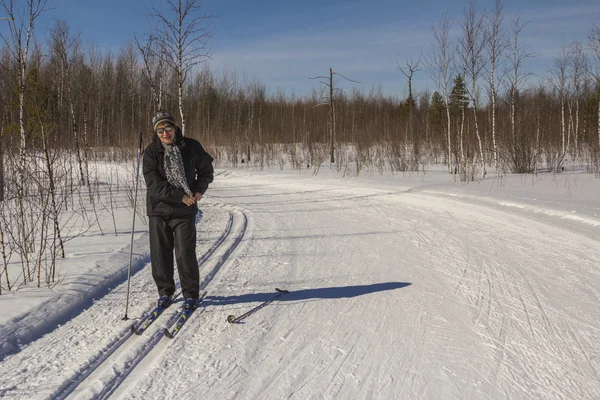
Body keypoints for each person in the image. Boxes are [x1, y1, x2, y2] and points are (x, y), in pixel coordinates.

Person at [143, 110, 214, 310]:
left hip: (185, 210)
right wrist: (179, 196)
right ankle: (165, 292)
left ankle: (190, 294)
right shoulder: (151, 152)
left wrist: (199, 189)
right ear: (155, 132)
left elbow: (206, 170)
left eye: (168, 128)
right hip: (159, 210)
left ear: (175, 127)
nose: (165, 134)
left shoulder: (191, 147)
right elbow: (154, 185)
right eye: (160, 130)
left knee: (185, 253)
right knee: (160, 254)